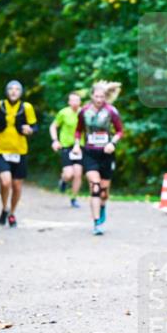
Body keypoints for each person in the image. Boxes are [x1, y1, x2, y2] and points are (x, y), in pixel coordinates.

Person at [70, 81, 123, 236]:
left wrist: (112, 143)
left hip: (107, 153)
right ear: (92, 96)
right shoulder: (84, 111)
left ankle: (103, 207)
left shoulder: (111, 111)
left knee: (104, 192)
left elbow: (120, 131)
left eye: (102, 96)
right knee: (95, 187)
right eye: (96, 96)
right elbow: (78, 131)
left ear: (105, 97)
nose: (99, 99)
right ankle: (96, 222)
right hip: (90, 153)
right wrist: (76, 144)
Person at [0, 80, 37, 228]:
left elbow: (35, 126)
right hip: (2, 149)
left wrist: (30, 130)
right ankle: (4, 207)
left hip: (20, 150)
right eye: (11, 89)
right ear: (7, 91)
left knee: (16, 185)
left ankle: (12, 213)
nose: (14, 92)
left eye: (17, 89)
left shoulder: (26, 107)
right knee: (5, 182)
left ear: (21, 92)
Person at [50, 91, 85, 208]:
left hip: (80, 147)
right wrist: (55, 140)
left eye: (77, 100)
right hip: (66, 147)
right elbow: (53, 126)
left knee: (78, 174)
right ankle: (64, 180)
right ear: (69, 102)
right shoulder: (63, 113)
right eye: (72, 100)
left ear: (80, 102)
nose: (75, 103)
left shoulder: (84, 113)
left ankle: (74, 198)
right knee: (69, 174)